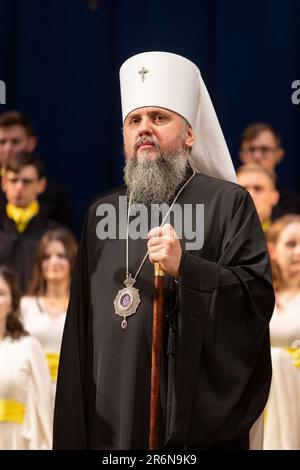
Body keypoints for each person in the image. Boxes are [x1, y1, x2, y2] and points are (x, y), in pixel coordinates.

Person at [53, 51, 274, 450]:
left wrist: (187, 269)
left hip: (184, 417)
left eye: (159, 118)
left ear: (190, 134)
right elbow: (79, 336)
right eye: (134, 121)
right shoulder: (100, 212)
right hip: (109, 419)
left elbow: (254, 299)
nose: (144, 130)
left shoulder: (228, 203)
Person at [0, 266, 53, 450]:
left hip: (15, 441)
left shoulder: (28, 347)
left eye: (0, 293)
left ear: (13, 302)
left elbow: (42, 412)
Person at [21, 228, 77, 394]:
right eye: (47, 257)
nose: (53, 262)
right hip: (31, 391)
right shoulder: (26, 305)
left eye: (61, 256)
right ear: (39, 263)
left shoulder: (81, 308)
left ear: (72, 261)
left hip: (70, 389)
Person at [263, 215, 300, 450]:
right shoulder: (263, 296)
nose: (298, 252)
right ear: (272, 250)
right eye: (291, 244)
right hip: (268, 395)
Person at [0, 110, 72, 227]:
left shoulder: (54, 195)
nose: (8, 149)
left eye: (15, 142)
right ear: (4, 184)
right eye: (2, 142)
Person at [0, 151, 59, 293]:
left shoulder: (54, 236)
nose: (19, 187)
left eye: (26, 181)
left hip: (41, 311)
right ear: (4, 184)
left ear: (41, 185)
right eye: (13, 180)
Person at [239, 123, 300, 220]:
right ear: (241, 154)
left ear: (279, 155)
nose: (257, 156)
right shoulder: (225, 197)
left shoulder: (294, 206)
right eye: (251, 149)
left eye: (264, 149)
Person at [236, 164, 279, 231]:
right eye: (242, 189)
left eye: (258, 189)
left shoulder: (291, 235)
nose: (250, 195)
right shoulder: (217, 236)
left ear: (275, 197)